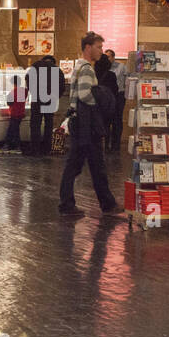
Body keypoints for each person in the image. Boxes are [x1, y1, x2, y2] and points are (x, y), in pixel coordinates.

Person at [59, 32, 122, 217]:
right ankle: (70, 204)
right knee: (88, 165)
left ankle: (105, 203)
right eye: (98, 47)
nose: (101, 51)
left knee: (89, 165)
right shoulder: (86, 68)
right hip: (86, 124)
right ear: (88, 47)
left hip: (80, 123)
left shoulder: (79, 66)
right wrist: (99, 100)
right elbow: (85, 95)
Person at [27, 54, 63, 156]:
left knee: (35, 124)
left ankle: (35, 149)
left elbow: (28, 80)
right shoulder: (57, 70)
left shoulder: (36, 65)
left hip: (37, 99)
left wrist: (33, 93)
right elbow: (61, 86)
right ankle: (46, 149)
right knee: (48, 124)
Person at [94, 55, 120, 151]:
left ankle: (96, 145)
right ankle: (106, 146)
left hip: (96, 104)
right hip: (107, 104)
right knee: (107, 125)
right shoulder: (111, 75)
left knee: (96, 124)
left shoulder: (93, 74)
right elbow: (115, 90)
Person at [105, 47, 128, 152]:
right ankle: (106, 145)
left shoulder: (122, 67)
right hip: (107, 96)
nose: (106, 58)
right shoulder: (104, 67)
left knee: (117, 120)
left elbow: (128, 80)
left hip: (119, 95)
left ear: (113, 57)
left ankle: (116, 145)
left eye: (108, 56)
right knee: (107, 120)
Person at [4, 74, 27, 152]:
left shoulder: (12, 92)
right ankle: (9, 145)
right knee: (13, 129)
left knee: (14, 130)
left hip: (14, 113)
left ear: (12, 83)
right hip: (21, 113)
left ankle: (16, 147)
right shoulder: (24, 91)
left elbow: (9, 103)